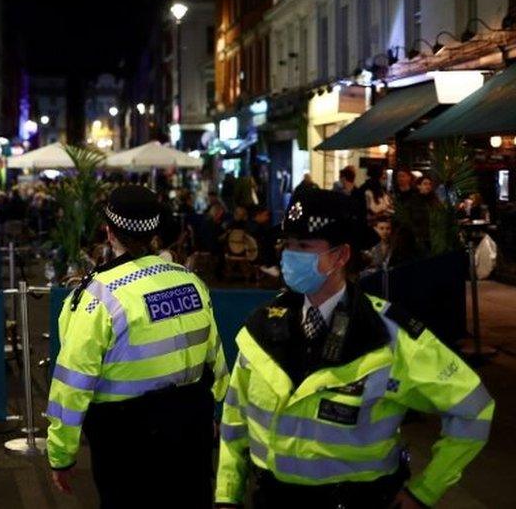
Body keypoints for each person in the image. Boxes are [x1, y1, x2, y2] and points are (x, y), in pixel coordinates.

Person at [215, 189, 493, 509]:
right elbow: (234, 420)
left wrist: (425, 491)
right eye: (288, 245)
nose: (290, 256)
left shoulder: (390, 337)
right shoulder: (261, 328)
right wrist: (227, 495)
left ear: (341, 256)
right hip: (271, 500)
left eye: (304, 246)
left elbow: (474, 409)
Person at [47, 185, 228, 508]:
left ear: (109, 231)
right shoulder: (190, 281)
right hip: (191, 431)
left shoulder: (99, 297)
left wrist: (61, 454)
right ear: (155, 231)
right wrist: (212, 412)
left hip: (126, 442)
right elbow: (215, 360)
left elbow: (72, 382)